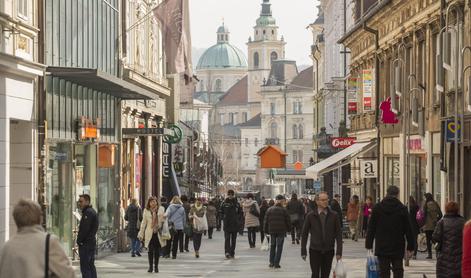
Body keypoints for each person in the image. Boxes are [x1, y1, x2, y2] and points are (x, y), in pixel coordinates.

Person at [0, 199, 75, 278]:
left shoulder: (7, 247)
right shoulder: (49, 242)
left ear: (16, 220)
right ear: (40, 218)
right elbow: (68, 274)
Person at [366, 186, 415, 278]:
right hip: (397, 245)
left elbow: (371, 227)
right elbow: (408, 229)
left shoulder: (377, 208)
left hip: (382, 245)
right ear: (397, 194)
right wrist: (411, 246)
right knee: (398, 270)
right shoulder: (402, 209)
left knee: (384, 272)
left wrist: (369, 244)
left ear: (386, 193)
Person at [301, 192, 342, 278]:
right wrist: (303, 251)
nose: (325, 202)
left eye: (326, 200)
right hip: (315, 250)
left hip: (329, 250)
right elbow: (304, 234)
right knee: (315, 274)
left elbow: (338, 234)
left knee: (325, 275)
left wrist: (339, 252)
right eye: (323, 200)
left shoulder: (334, 215)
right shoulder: (311, 216)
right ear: (317, 201)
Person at [432, 201, 465, 278]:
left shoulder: (442, 222)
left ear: (446, 209)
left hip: (444, 260)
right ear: (457, 210)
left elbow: (435, 237)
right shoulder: (463, 222)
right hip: (459, 260)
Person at [138, 196, 166, 273]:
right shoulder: (146, 211)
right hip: (149, 233)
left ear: (157, 202)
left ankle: (156, 267)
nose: (153, 203)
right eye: (151, 202)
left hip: (158, 233)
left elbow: (164, 220)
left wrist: (162, 218)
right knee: (150, 251)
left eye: (154, 201)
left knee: (157, 251)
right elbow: (143, 223)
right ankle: (150, 267)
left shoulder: (161, 209)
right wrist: (141, 233)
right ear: (149, 203)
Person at [264, 195, 291, 269]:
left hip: (272, 230)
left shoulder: (269, 209)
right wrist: (289, 230)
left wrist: (265, 231)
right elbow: (288, 221)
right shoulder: (284, 210)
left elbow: (265, 221)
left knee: (272, 245)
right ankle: (276, 263)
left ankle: (271, 262)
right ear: (282, 201)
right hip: (281, 231)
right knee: (279, 246)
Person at [77, 194, 99, 278]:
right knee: (90, 266)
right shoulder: (90, 211)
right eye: (79, 201)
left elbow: (85, 230)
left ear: (87, 201)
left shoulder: (88, 213)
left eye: (81, 201)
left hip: (86, 244)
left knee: (86, 267)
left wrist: (79, 241)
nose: (79, 203)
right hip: (90, 243)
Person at [220, 189, 243, 259]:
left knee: (233, 240)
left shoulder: (237, 203)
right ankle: (227, 252)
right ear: (227, 195)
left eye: (231, 194)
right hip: (227, 224)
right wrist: (223, 217)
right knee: (227, 239)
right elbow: (220, 211)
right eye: (229, 194)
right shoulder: (224, 203)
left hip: (235, 224)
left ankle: (232, 252)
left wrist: (238, 220)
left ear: (233, 195)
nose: (230, 196)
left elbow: (240, 213)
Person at [423, 192, 443, 259]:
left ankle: (430, 254)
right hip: (435, 225)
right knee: (435, 239)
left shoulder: (426, 205)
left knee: (428, 240)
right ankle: (437, 253)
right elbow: (440, 214)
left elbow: (424, 216)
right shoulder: (436, 204)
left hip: (428, 226)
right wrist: (436, 220)